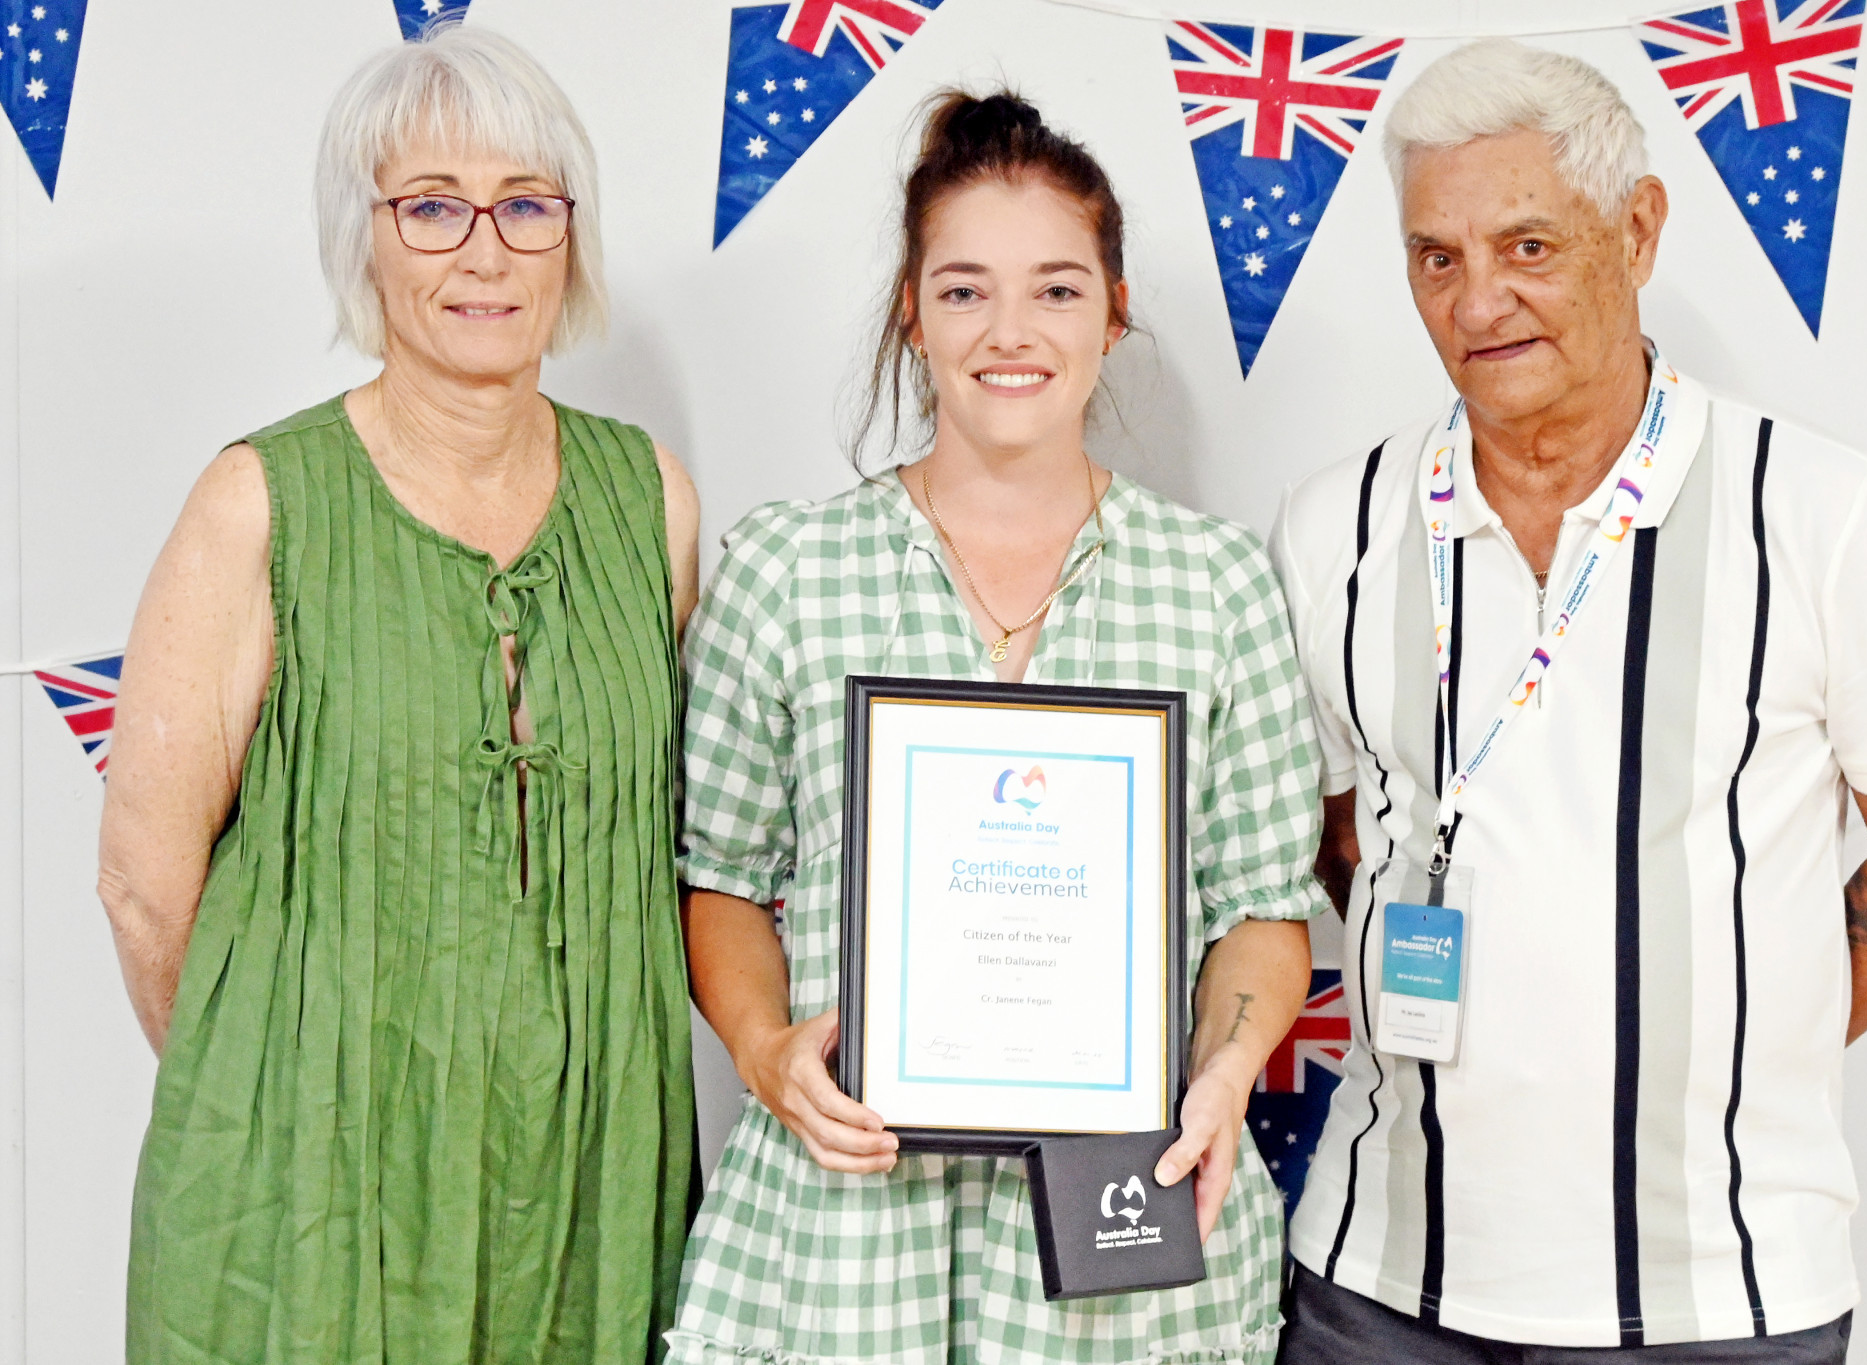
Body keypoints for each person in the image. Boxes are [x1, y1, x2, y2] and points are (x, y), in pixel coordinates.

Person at [1271, 39, 1867, 1364]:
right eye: (1437, 256)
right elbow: (1340, 838)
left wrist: (1727, 1037)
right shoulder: (1337, 527)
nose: (1479, 298)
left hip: (1718, 1302)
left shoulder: (1831, 516)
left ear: (1639, 228)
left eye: (1529, 246)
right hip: (1379, 1281)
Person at [669, 91, 1322, 1364]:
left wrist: (1225, 1070)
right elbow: (722, 884)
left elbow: (1260, 909)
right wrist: (764, 1052)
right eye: (965, 290)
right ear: (911, 311)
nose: (1010, 333)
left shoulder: (1215, 585)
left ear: (1114, 312)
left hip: (1126, 1244)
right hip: (842, 1240)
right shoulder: (785, 571)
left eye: (1057, 291)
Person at [102, 27, 700, 1364]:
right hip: (310, 1201)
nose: (483, 251)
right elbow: (146, 885)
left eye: (525, 205)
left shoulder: (652, 501)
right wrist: (270, 1109)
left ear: (570, 237)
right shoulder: (258, 501)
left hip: (585, 1187)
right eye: (431, 206)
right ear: (363, 241)